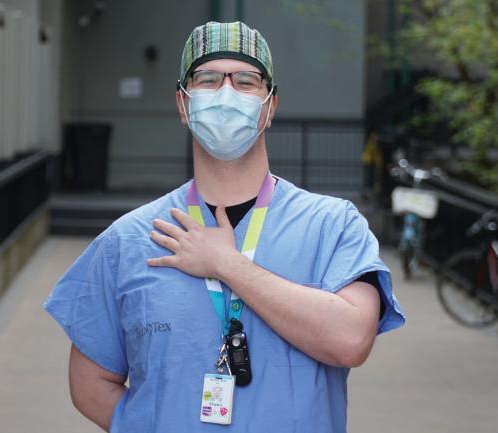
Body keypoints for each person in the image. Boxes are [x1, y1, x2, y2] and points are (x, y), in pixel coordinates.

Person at [44, 21, 405, 433]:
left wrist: (227, 265)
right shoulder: (128, 240)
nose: (226, 94)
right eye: (208, 79)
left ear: (269, 106)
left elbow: (351, 341)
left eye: (247, 81)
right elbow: (89, 385)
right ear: (183, 104)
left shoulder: (334, 226)